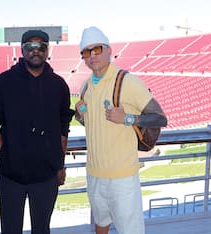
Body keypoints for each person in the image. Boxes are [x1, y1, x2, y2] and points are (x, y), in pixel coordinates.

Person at [0, 30, 74, 234]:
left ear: (47, 50)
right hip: (11, 175)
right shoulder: (5, 82)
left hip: (47, 175)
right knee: (10, 229)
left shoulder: (58, 85)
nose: (36, 51)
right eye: (30, 46)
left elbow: (63, 126)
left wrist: (59, 164)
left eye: (41, 46)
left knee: (42, 229)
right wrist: (4, 152)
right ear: (22, 49)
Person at [75, 26, 167, 234]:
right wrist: (80, 115)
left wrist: (127, 118)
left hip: (123, 178)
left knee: (130, 230)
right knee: (101, 224)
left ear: (108, 50)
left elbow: (160, 118)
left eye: (96, 49)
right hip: (95, 174)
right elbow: (92, 125)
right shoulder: (85, 87)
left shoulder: (128, 81)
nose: (92, 56)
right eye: (86, 52)